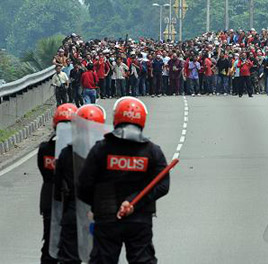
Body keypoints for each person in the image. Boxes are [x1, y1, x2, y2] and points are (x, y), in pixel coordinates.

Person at [77, 97, 170, 264]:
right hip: (140, 219)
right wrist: (135, 203)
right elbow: (163, 185)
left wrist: (99, 205)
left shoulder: (101, 149)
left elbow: (83, 186)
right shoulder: (152, 151)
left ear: (116, 119)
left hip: (106, 219)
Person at [54, 104, 105, 264]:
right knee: (103, 256)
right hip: (102, 214)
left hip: (73, 210)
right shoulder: (106, 152)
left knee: (69, 257)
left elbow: (57, 188)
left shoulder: (66, 153)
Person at [38, 103, 78, 264]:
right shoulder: (78, 152)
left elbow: (44, 172)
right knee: (72, 247)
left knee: (49, 243)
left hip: (49, 199)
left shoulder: (44, 149)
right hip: (71, 202)